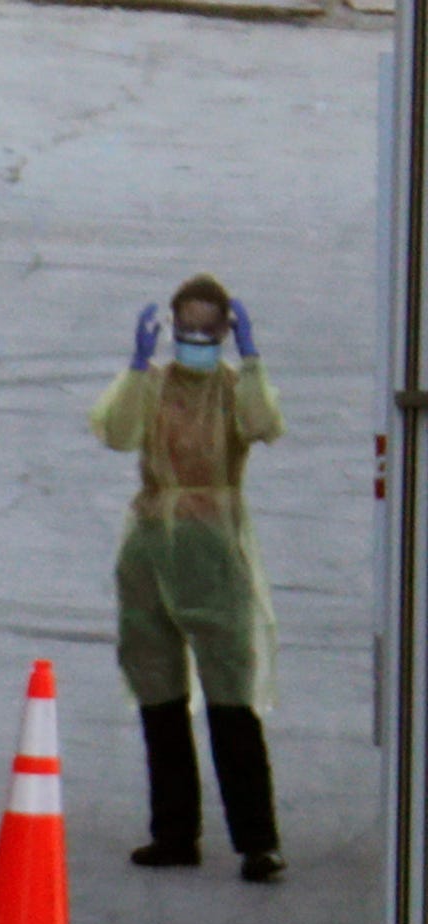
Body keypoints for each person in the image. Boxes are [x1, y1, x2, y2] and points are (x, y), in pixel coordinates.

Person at [91, 275, 286, 883]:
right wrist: (134, 367)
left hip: (213, 549)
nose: (197, 340)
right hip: (150, 547)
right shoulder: (151, 388)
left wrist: (252, 362)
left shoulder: (232, 390)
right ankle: (174, 832)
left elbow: (264, 425)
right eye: (187, 330)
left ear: (226, 331)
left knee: (231, 696)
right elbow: (115, 432)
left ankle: (258, 841)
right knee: (159, 693)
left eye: (210, 330)